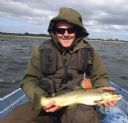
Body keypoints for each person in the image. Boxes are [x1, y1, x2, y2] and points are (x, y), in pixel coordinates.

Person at [0, 7, 117, 123]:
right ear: (55, 31)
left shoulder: (91, 53)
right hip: (47, 99)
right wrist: (43, 100)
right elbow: (29, 80)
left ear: (77, 31)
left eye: (70, 30)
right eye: (61, 31)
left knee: (84, 119)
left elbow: (100, 76)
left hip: (77, 105)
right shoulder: (40, 51)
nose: (65, 34)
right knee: (12, 120)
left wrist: (101, 87)